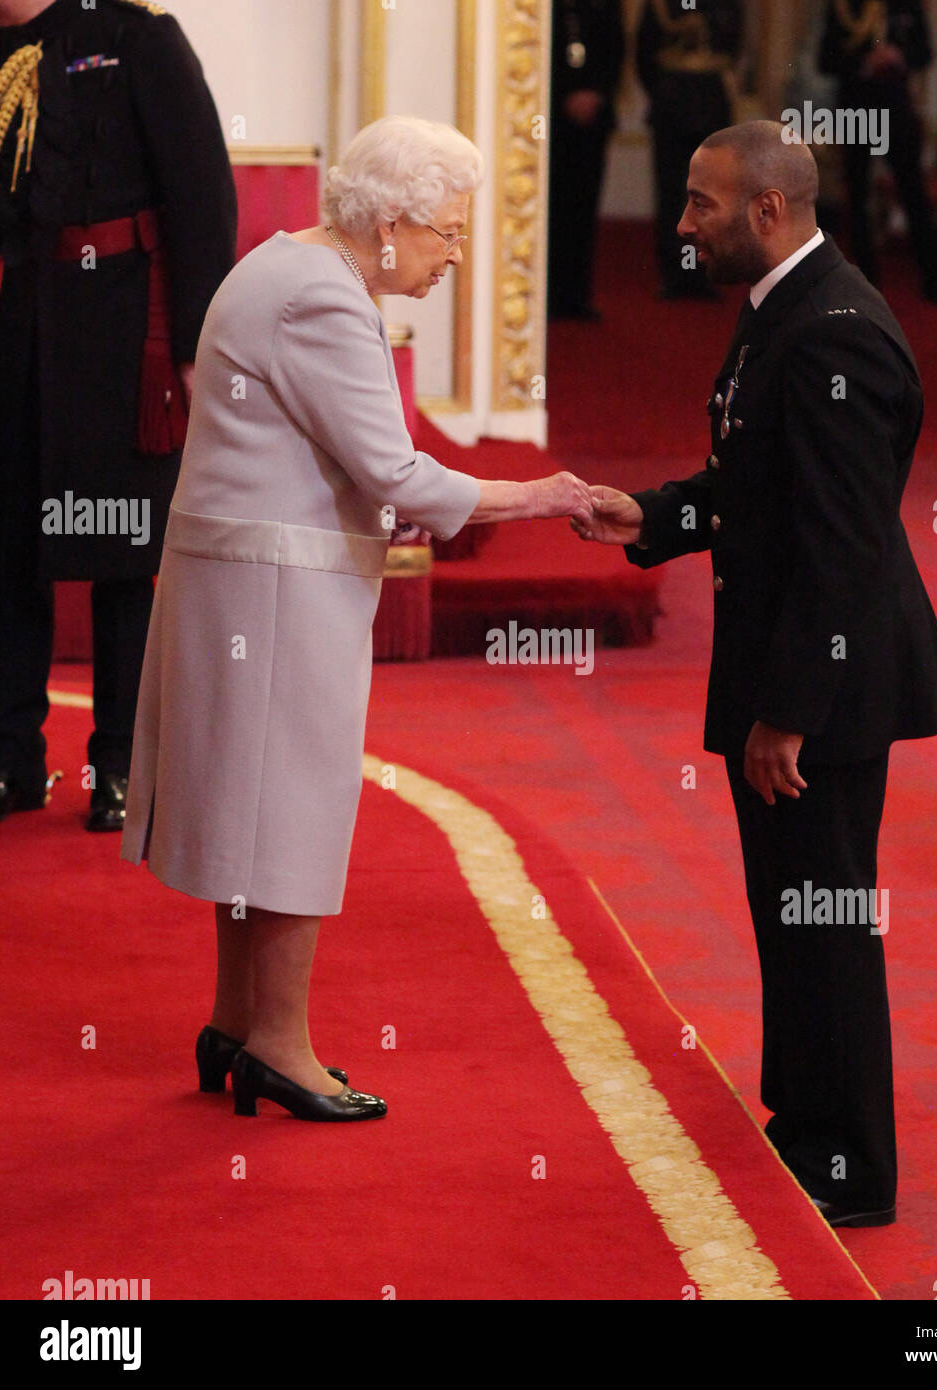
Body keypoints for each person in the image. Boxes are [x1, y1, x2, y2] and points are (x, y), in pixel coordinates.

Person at [120, 116, 594, 1123]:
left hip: (249, 574)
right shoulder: (324, 299)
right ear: (386, 223)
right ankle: (279, 1045)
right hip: (277, 586)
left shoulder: (286, 266)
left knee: (252, 805)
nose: (456, 256)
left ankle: (237, 1022)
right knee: (287, 805)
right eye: (446, 233)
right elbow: (397, 476)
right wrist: (542, 495)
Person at [574, 120, 937, 1226]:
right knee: (790, 908)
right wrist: (646, 515)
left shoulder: (834, 333)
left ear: (765, 212)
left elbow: (840, 544)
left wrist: (787, 713)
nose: (680, 222)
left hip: (826, 690)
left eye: (699, 204)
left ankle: (849, 1165)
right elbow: (756, 481)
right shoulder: (783, 310)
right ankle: (803, 1123)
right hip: (798, 671)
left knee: (824, 917)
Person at [0, 0, 237, 831]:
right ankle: (9, 761)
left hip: (129, 326)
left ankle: (122, 767)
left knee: (122, 548)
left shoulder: (138, 39)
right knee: (11, 542)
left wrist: (198, 344)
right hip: (27, 317)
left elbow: (202, 193)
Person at [818, 0, 937, 302]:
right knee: (857, 196)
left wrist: (899, 56)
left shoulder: (907, 6)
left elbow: (925, 53)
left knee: (914, 192)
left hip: (896, 109)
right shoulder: (844, 7)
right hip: (856, 108)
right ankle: (864, 281)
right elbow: (825, 60)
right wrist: (864, 63)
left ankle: (935, 280)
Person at [636, 0, 743, 299]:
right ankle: (676, 274)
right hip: (672, 102)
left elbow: (734, 45)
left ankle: (705, 272)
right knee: (673, 194)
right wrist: (662, 93)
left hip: (711, 105)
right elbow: (645, 55)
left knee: (711, 196)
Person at [547, 0, 625, 320]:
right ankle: (547, 294)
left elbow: (616, 49)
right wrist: (564, 95)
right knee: (550, 207)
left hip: (593, 120)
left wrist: (596, 94)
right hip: (551, 122)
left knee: (583, 207)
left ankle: (576, 294)